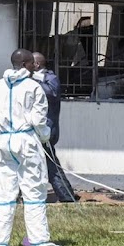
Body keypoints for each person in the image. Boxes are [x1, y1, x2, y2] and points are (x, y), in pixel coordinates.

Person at [0, 48, 62, 246]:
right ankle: (39, 240)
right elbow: (38, 120)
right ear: (25, 64)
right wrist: (45, 137)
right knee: (34, 189)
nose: (33, 67)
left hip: (3, 140)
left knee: (5, 191)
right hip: (25, 140)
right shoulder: (33, 87)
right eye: (31, 63)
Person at [32, 51, 80, 202]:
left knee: (51, 166)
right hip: (36, 129)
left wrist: (34, 81)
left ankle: (67, 196)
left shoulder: (50, 78)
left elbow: (52, 93)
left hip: (46, 130)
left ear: (37, 64)